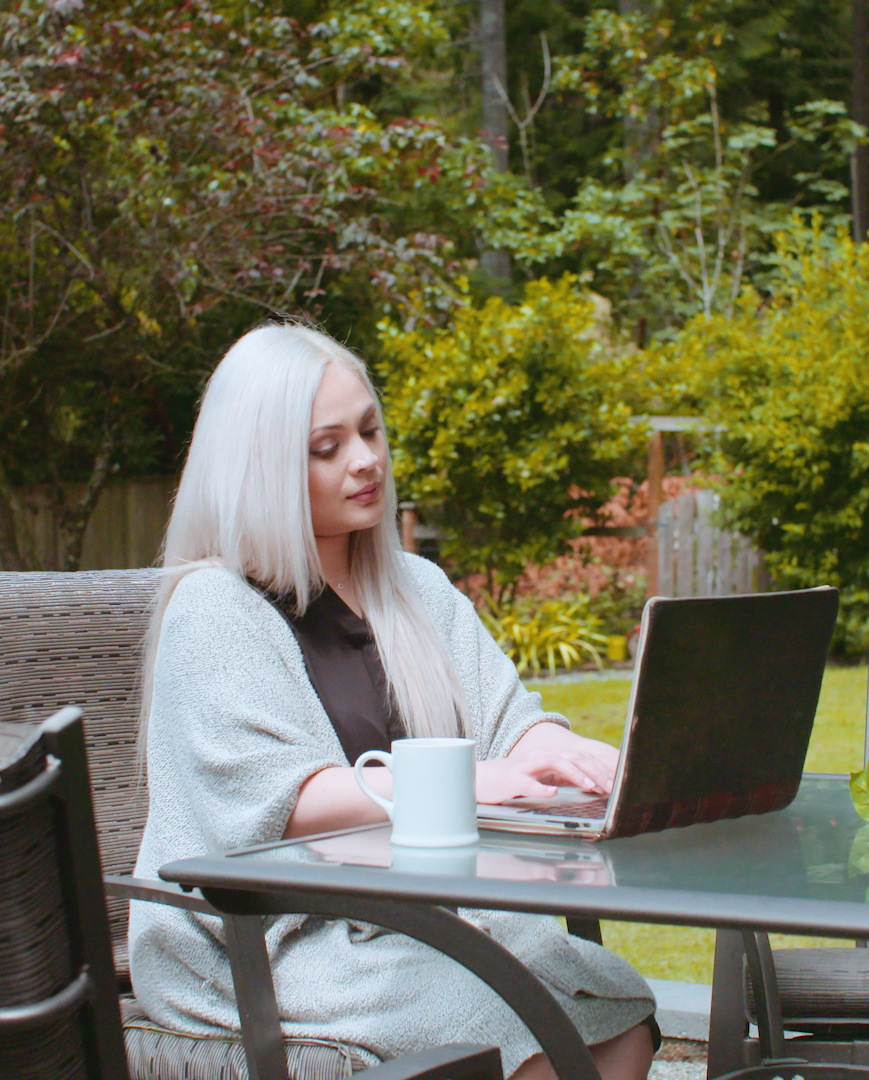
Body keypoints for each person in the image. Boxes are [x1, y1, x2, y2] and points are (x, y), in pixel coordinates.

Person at [128, 322, 656, 1080]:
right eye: (327, 446)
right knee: (519, 1038)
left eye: (371, 431)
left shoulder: (416, 590)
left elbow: (513, 722)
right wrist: (473, 783)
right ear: (259, 467)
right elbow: (284, 800)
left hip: (410, 916)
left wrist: (568, 759)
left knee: (617, 1012)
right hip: (269, 937)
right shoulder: (215, 609)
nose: (367, 460)